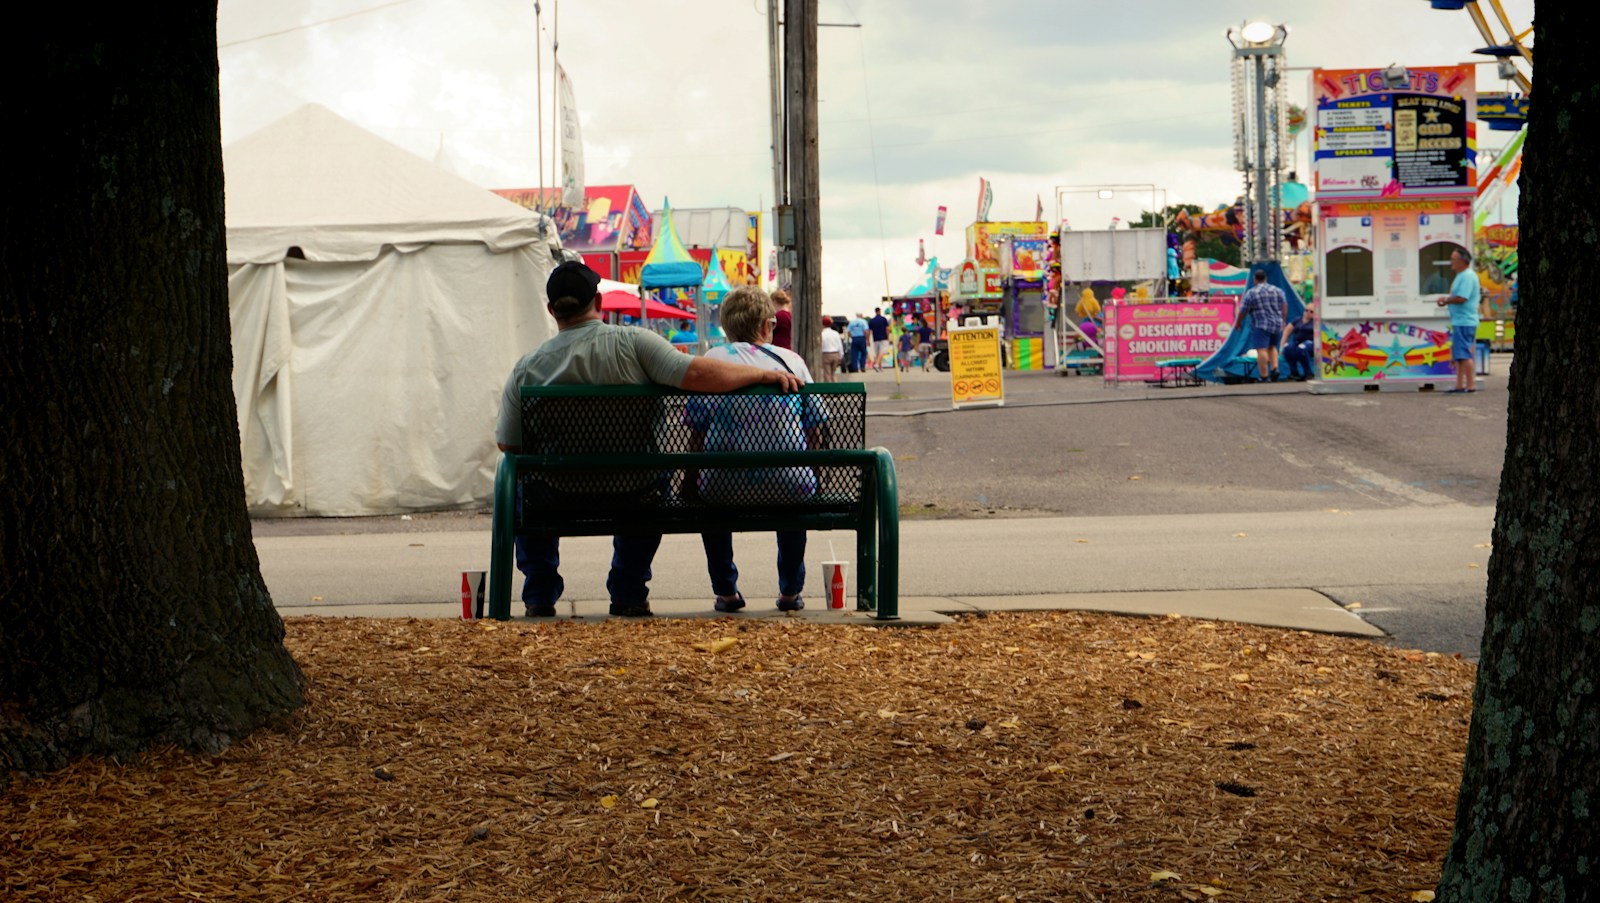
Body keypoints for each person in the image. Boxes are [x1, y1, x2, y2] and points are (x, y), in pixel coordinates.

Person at [495, 261, 801, 619]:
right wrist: (763, 373)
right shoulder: (635, 343)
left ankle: (540, 595)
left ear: (551, 310)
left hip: (556, 496)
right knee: (653, 478)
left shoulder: (528, 366)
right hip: (634, 493)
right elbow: (697, 374)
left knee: (518, 486)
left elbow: (509, 446)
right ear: (599, 301)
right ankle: (628, 591)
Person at [687, 285, 821, 613]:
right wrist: (815, 470)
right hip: (792, 484)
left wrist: (690, 477)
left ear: (727, 328)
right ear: (766, 325)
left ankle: (726, 592)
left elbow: (695, 430)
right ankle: (790, 592)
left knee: (711, 500)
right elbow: (817, 422)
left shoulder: (712, 360)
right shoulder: (792, 361)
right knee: (794, 491)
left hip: (722, 485)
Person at [1437, 249, 1482, 393]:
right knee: (1459, 354)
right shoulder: (1462, 275)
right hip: (1460, 320)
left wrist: (1446, 300)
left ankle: (1469, 385)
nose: (1451, 262)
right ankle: (1459, 384)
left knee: (1463, 353)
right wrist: (1448, 301)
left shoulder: (1467, 276)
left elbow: (1462, 297)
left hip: (1465, 320)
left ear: (1462, 261)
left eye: (1454, 259)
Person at [1235, 269, 1288, 382]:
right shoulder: (1277, 290)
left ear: (1255, 279)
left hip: (1261, 324)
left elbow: (1243, 310)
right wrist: (1283, 320)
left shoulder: (1252, 293)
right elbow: (1284, 305)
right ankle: (1275, 368)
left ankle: (1264, 375)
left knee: (1261, 350)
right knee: (1273, 347)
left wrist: (1238, 322)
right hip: (1277, 324)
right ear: (1266, 278)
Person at [1282, 302, 1317, 381]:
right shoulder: (1297, 320)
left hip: (1311, 343)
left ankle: (1308, 373)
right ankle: (1294, 372)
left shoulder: (1316, 322)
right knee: (1288, 348)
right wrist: (1281, 347)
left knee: (1302, 348)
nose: (1308, 313)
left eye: (1311, 311)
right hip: (1297, 342)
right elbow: (1286, 332)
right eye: (1306, 310)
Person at [819, 318, 843, 382]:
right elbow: (840, 345)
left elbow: (821, 345)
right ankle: (835, 388)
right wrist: (841, 356)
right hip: (836, 353)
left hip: (826, 353)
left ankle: (829, 389)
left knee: (827, 374)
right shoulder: (835, 333)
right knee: (833, 373)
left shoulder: (822, 334)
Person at [867, 307, 891, 371]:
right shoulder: (883, 319)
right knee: (882, 351)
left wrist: (868, 339)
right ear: (880, 311)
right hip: (883, 338)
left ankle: (880, 367)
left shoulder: (872, 320)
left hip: (876, 338)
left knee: (878, 352)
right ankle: (877, 364)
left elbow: (869, 331)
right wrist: (888, 337)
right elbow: (887, 329)